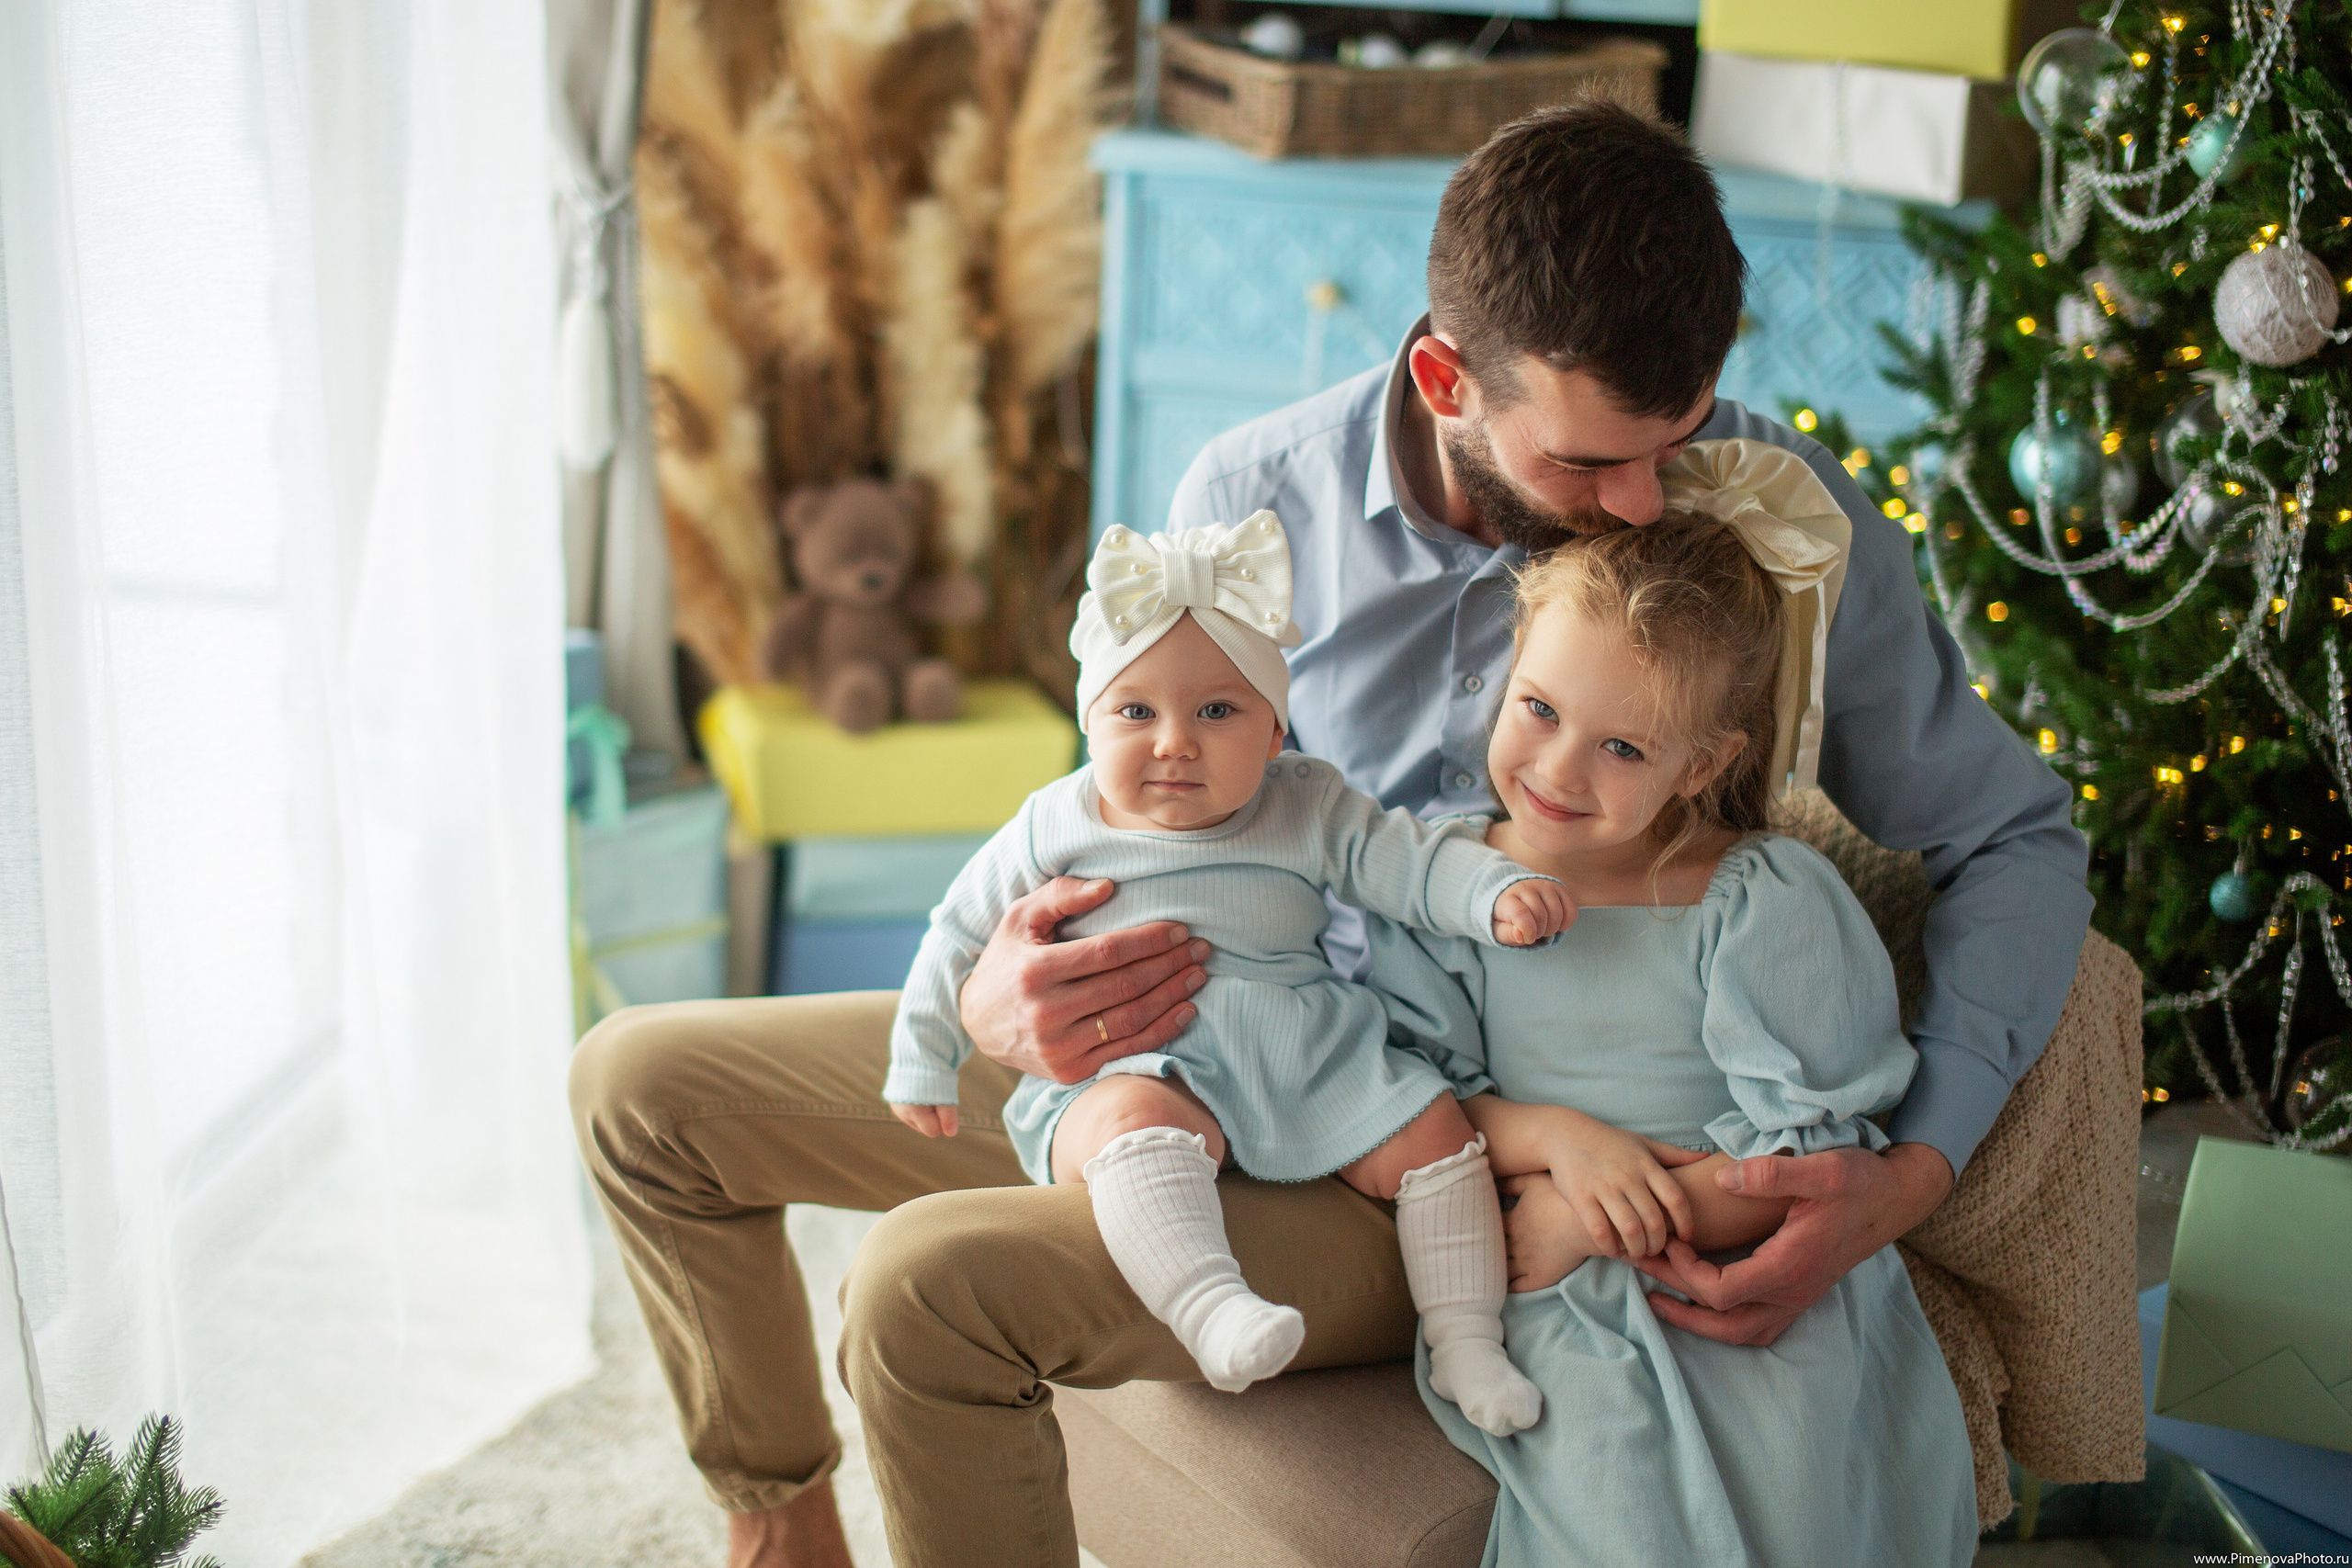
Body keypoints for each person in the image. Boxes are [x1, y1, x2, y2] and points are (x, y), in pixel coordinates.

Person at [568, 103, 2091, 1568]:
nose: (1639, 505)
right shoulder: (1248, 499)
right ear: (1445, 377)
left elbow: (2013, 836)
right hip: (1181, 1031)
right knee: (640, 1089)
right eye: (1583, 463)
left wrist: (1913, 1168)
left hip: (1410, 1147)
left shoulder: (1768, 527)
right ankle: (778, 1525)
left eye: (1671, 440)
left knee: (920, 1289)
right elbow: (1135, 787)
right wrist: (1000, 994)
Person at [1374, 507, 1977, 1566]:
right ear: (1508, 670)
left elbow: (1820, 1159)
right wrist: (1556, 1141)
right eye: (1539, 710)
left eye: (1622, 746)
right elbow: (1410, 1096)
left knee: (1788, 1507)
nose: (1559, 770)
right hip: (1554, 1286)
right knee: (1616, 1507)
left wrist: (1592, 1219)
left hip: (1736, 1265)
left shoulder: (1759, 899)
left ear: (1704, 764)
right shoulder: (1446, 886)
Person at [885, 511, 1565, 1427]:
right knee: (1127, 1126)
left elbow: (1406, 860)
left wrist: (1490, 892)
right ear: (1088, 721)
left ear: (1276, 732)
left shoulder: (1306, 804)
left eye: (1217, 711)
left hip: (1303, 1047)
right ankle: (1210, 1308)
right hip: (1139, 1061)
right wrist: (921, 1056)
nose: (1175, 742)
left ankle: (1467, 1341)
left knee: (1435, 1133)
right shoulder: (1055, 820)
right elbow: (955, 930)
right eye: (1135, 711)